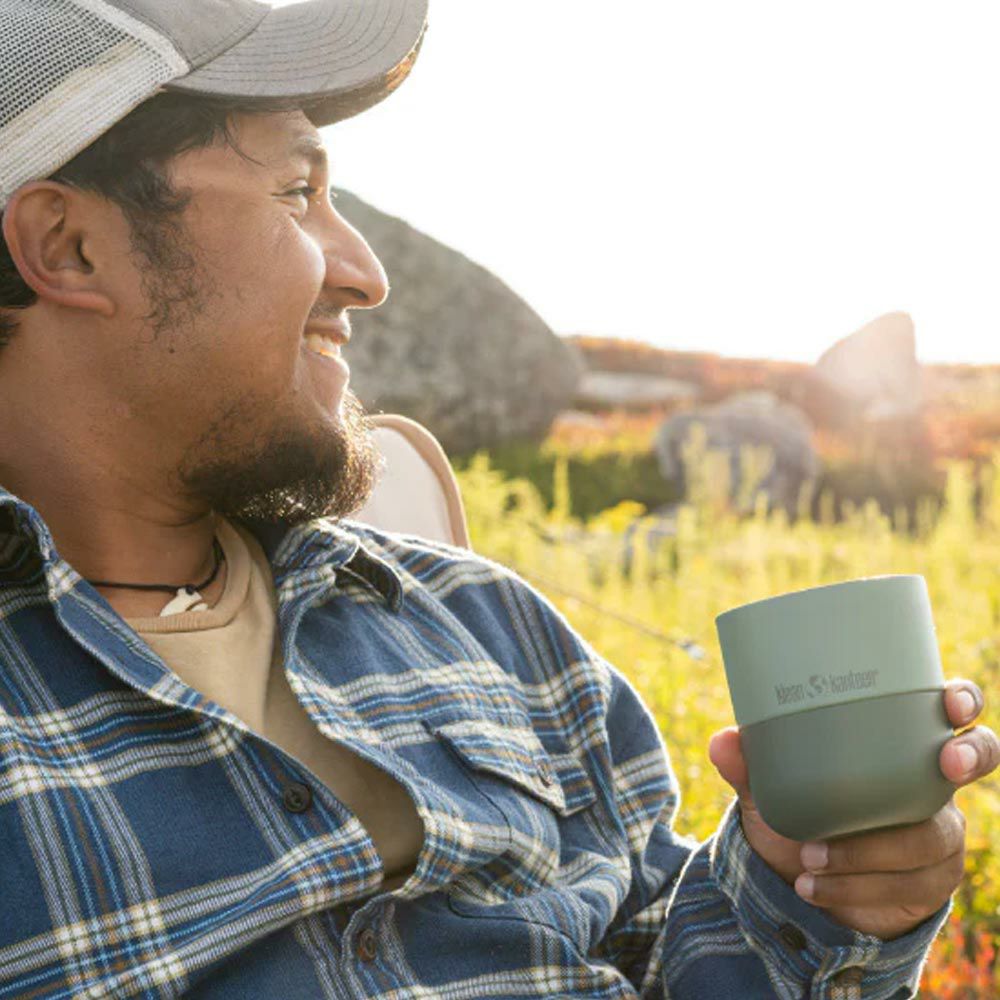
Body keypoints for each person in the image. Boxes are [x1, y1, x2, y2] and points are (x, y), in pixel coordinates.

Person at [0, 2, 995, 997]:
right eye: (296, 190)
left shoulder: (483, 619)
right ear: (70, 244)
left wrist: (808, 886)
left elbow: (668, 959)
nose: (367, 273)